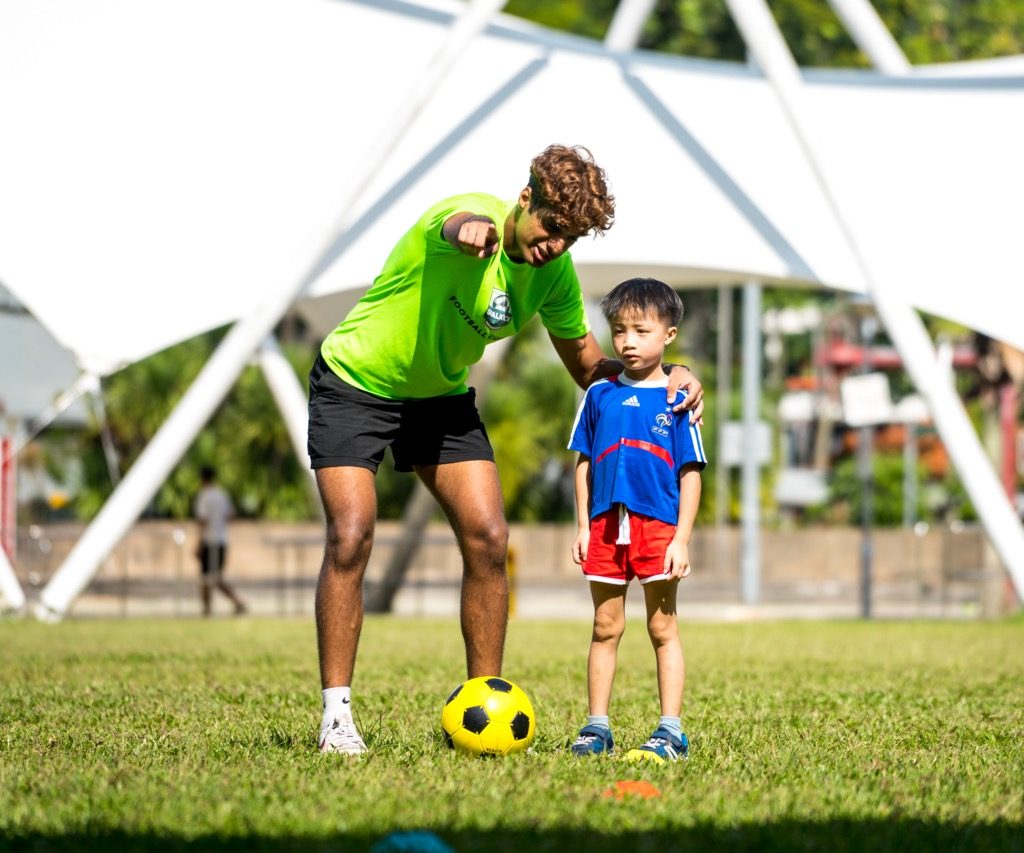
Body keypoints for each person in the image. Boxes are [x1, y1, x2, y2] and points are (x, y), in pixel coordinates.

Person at [307, 145, 705, 754]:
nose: (555, 247)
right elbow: (451, 223)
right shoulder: (469, 218)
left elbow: (590, 365)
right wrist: (468, 232)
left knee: (490, 536)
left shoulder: (553, 275)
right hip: (355, 383)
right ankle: (337, 716)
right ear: (526, 201)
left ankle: (483, 705)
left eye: (571, 238)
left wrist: (670, 374)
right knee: (352, 533)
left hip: (439, 397)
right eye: (551, 228)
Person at [567, 278, 706, 764]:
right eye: (619, 330)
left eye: (641, 331)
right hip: (606, 526)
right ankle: (596, 726)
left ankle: (671, 731)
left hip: (658, 530)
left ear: (669, 334)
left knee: (661, 626)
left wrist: (682, 539)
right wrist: (584, 525)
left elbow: (691, 474)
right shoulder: (599, 394)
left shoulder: (679, 398)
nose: (628, 341)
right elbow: (582, 462)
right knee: (605, 626)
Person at [194, 465, 247, 617]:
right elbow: (231, 514)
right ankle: (232, 603)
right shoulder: (221, 494)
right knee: (215, 577)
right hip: (222, 540)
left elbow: (202, 520)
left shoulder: (204, 496)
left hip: (209, 541)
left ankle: (209, 608)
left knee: (207, 578)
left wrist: (198, 543)